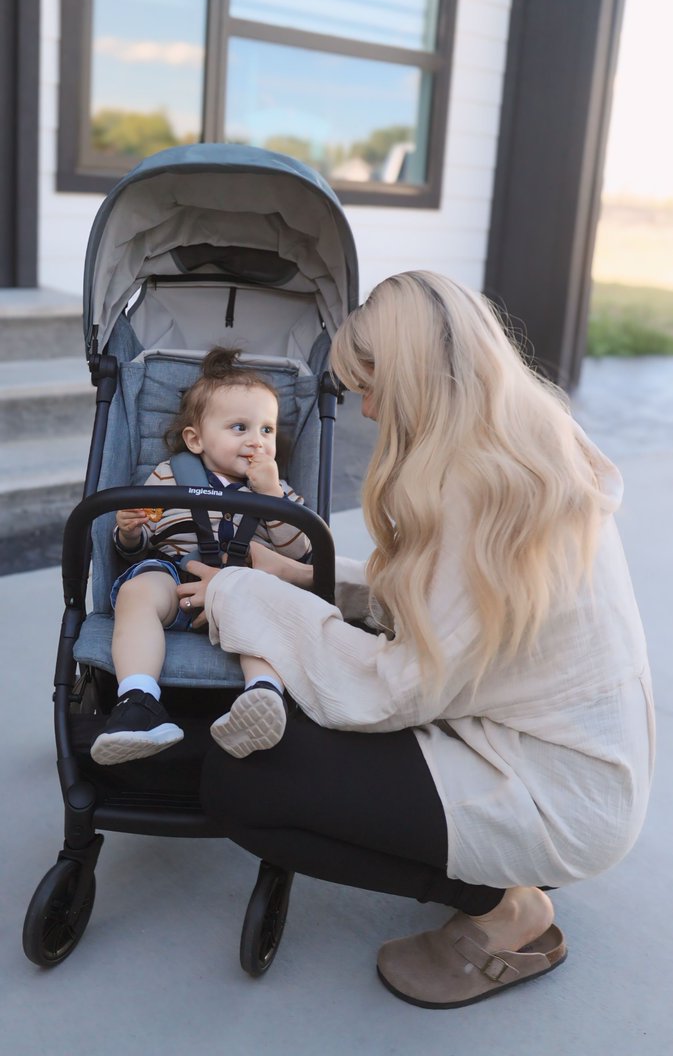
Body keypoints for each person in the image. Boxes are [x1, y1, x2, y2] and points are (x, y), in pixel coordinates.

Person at [178, 272, 654, 1009]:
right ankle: (494, 876)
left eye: (373, 387)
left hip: (554, 797)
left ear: (417, 380)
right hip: (573, 761)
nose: (366, 407)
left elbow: (393, 688)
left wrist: (248, 593)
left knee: (240, 783)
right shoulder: (526, 443)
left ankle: (506, 912)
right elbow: (447, 609)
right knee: (298, 697)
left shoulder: (481, 491)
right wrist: (306, 578)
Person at [91, 347, 310, 767]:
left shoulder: (279, 492)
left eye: (267, 430)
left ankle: (262, 694)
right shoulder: (167, 475)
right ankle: (138, 702)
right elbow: (136, 545)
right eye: (240, 427)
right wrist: (130, 532)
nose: (256, 441)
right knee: (137, 588)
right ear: (196, 439)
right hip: (176, 576)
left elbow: (299, 554)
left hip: (243, 587)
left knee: (271, 603)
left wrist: (272, 496)